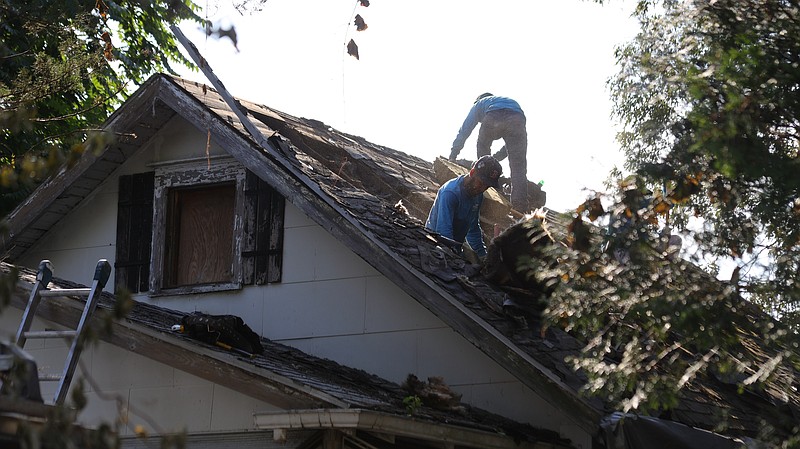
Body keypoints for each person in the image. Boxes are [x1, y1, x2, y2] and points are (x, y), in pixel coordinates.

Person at [449, 93, 528, 212]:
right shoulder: (504, 102)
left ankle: (484, 181)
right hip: (518, 118)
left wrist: (453, 154)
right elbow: (510, 148)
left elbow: (465, 130)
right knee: (518, 167)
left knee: (483, 149)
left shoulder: (479, 104)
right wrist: (496, 159)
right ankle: (519, 206)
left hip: (494, 115)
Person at [425, 155, 502, 259]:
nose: (482, 188)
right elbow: (443, 231)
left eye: (487, 186)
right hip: (434, 244)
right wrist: (454, 256)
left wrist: (482, 256)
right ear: (472, 173)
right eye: (481, 183)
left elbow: (473, 228)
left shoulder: (477, 195)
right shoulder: (450, 193)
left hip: (455, 247)